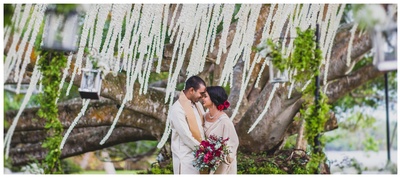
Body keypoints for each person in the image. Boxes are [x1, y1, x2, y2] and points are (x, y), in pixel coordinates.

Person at [169, 75, 207, 174]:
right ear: (191, 90)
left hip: (200, 157)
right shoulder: (177, 109)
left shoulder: (197, 105)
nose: (202, 97)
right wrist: (205, 150)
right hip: (186, 159)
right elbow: (186, 136)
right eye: (201, 93)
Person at [201, 86, 239, 174]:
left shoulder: (225, 122)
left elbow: (233, 144)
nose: (202, 99)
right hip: (205, 162)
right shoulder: (204, 116)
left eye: (205, 96)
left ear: (213, 98)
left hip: (222, 166)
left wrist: (219, 156)